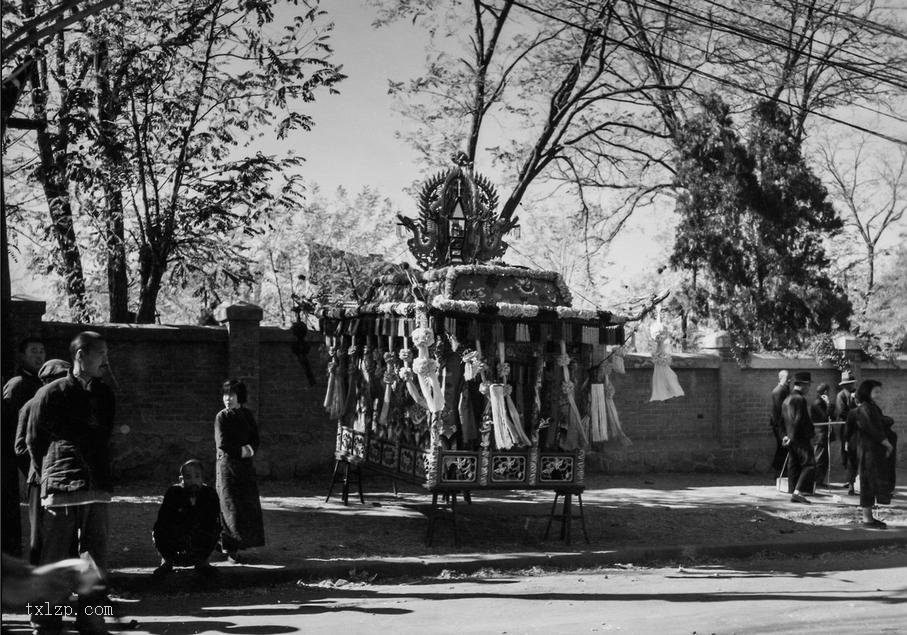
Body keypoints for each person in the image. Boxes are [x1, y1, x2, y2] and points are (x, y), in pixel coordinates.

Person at [26, 331, 115, 635]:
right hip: (62, 490)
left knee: (95, 560)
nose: (105, 359)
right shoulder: (51, 393)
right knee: (55, 560)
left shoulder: (105, 394)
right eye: (100, 353)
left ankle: (91, 620)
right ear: (81, 356)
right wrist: (51, 475)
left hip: (97, 488)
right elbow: (33, 441)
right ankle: (45, 622)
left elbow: (105, 437)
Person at [14, 359, 72, 565]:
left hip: (66, 477)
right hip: (40, 479)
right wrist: (39, 467)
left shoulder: (72, 404)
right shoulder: (31, 406)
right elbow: (21, 447)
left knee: (68, 533)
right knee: (39, 534)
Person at [2, 337, 46, 556]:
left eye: (41, 351)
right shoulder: (18, 385)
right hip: (19, 459)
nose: (38, 355)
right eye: (33, 351)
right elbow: (11, 428)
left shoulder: (42, 384)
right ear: (22, 355)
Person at [215, 380, 264, 562]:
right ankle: (228, 548)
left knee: (245, 506)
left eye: (232, 395)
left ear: (239, 397)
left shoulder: (247, 415)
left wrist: (249, 450)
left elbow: (255, 438)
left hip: (245, 468)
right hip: (227, 467)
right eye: (225, 395)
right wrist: (242, 451)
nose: (228, 399)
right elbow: (223, 443)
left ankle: (237, 544)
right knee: (230, 507)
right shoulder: (222, 417)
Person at [152, 459, 220, 578]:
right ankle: (167, 561)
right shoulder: (173, 493)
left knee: (215, 527)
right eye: (188, 477)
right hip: (178, 534)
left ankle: (202, 561)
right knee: (159, 529)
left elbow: (212, 518)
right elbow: (163, 520)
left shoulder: (209, 494)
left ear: (202, 479)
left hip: (198, 534)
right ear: (181, 480)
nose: (193, 481)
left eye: (197, 477)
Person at [853, 379, 895, 529]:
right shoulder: (865, 408)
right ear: (867, 392)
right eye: (876, 391)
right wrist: (887, 444)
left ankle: (870, 517)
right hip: (869, 451)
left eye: (879, 391)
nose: (879, 395)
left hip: (873, 451)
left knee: (872, 482)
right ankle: (867, 519)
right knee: (868, 483)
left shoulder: (871, 407)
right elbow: (873, 429)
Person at [781, 371, 815, 504]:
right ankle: (798, 492)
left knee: (794, 463)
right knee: (810, 464)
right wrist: (792, 436)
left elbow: (781, 420)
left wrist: (785, 436)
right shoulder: (800, 399)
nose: (809, 388)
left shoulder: (787, 399)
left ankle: (793, 491)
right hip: (799, 437)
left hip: (790, 437)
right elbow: (799, 419)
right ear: (804, 385)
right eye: (809, 385)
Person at [834, 370, 858, 494]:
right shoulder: (841, 396)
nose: (851, 386)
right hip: (846, 428)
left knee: (855, 455)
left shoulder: (857, 394)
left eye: (852, 383)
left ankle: (852, 482)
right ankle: (851, 481)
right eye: (848, 384)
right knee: (847, 454)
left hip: (858, 428)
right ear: (844, 385)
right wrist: (855, 413)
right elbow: (841, 412)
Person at [810, 383, 832, 488]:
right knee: (819, 458)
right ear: (825, 392)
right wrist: (828, 404)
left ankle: (819, 480)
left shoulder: (819, 402)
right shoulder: (818, 403)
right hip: (820, 434)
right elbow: (824, 417)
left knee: (823, 459)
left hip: (823, 433)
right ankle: (815, 481)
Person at [769, 370, 790, 473]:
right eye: (787, 378)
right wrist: (782, 428)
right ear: (781, 378)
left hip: (782, 423)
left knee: (783, 447)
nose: (789, 380)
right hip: (779, 424)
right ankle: (778, 469)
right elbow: (778, 410)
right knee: (782, 446)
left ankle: (780, 469)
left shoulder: (784, 389)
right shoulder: (779, 391)